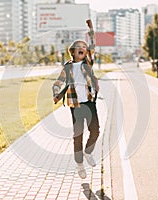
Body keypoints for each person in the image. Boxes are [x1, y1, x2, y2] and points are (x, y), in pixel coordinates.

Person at [52, 40, 100, 179]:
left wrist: (91, 29)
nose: (82, 49)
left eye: (83, 47)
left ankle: (88, 152)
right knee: (77, 135)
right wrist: (55, 93)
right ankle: (79, 165)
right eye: (78, 47)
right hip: (75, 105)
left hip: (89, 103)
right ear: (72, 51)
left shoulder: (88, 63)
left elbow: (92, 46)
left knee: (95, 130)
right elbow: (58, 82)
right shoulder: (67, 67)